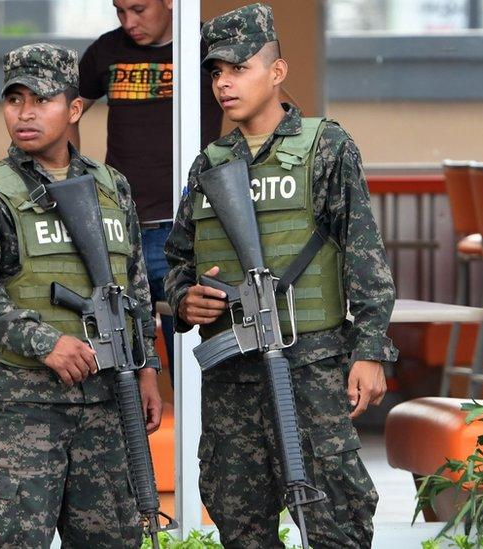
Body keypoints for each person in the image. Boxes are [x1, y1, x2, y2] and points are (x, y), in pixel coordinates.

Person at [164, 4, 397, 548]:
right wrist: (183, 299)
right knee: (240, 523)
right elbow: (178, 260)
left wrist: (370, 351)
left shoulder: (326, 149)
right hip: (232, 381)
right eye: (215, 72)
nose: (224, 83)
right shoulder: (209, 164)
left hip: (310, 366)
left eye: (239, 68)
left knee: (335, 519)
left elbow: (365, 256)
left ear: (277, 71)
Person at [0, 43, 162, 548]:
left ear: (73, 109)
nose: (25, 113)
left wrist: (148, 367)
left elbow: (133, 285)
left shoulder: (112, 187)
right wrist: (45, 343)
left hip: (110, 402)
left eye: (41, 100)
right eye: (14, 99)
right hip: (25, 406)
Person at [78, 0, 224, 379]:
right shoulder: (107, 51)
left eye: (139, 9)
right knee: (120, 362)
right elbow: (65, 109)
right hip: (120, 230)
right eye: (120, 11)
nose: (130, 22)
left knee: (192, 369)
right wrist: (75, 179)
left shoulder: (208, 45)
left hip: (186, 227)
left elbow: (261, 101)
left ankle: (192, 440)